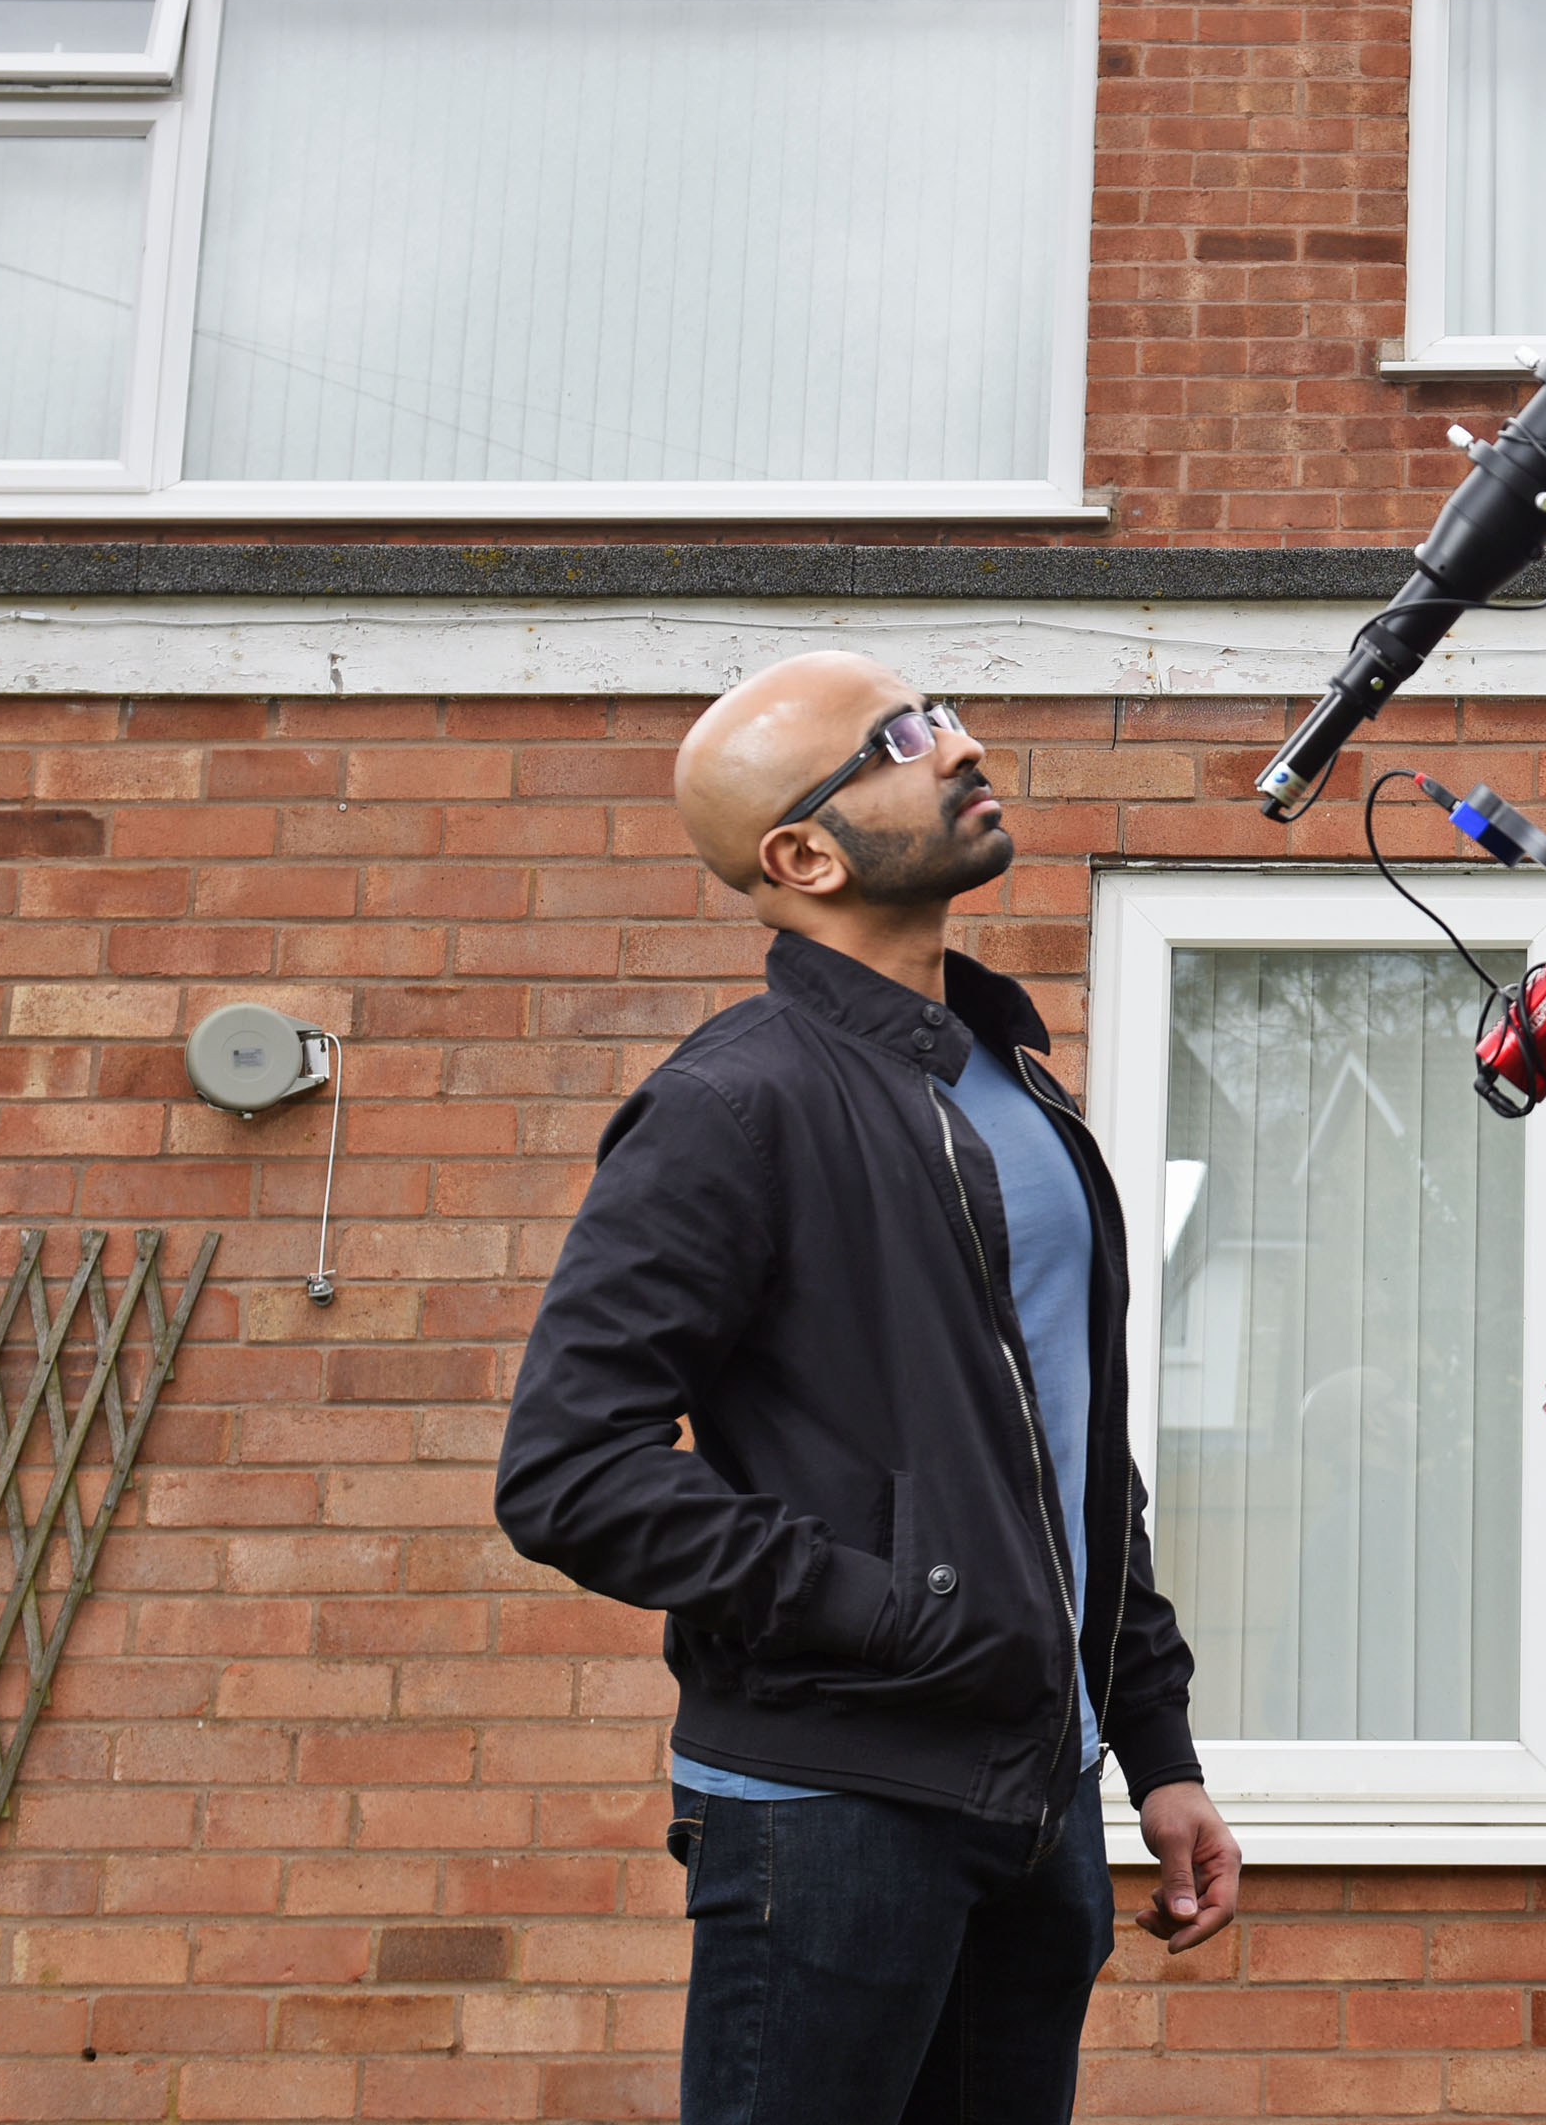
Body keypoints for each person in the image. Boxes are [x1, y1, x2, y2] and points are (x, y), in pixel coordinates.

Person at [496, 652, 1238, 2125]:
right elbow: (570, 1470)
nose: (958, 745)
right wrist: (900, 1610)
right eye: (900, 739)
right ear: (803, 854)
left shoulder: (1013, 1087)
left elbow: (1068, 1453)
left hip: (1038, 1801)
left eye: (943, 709)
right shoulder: (732, 1104)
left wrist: (1153, 1743)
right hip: (834, 1818)